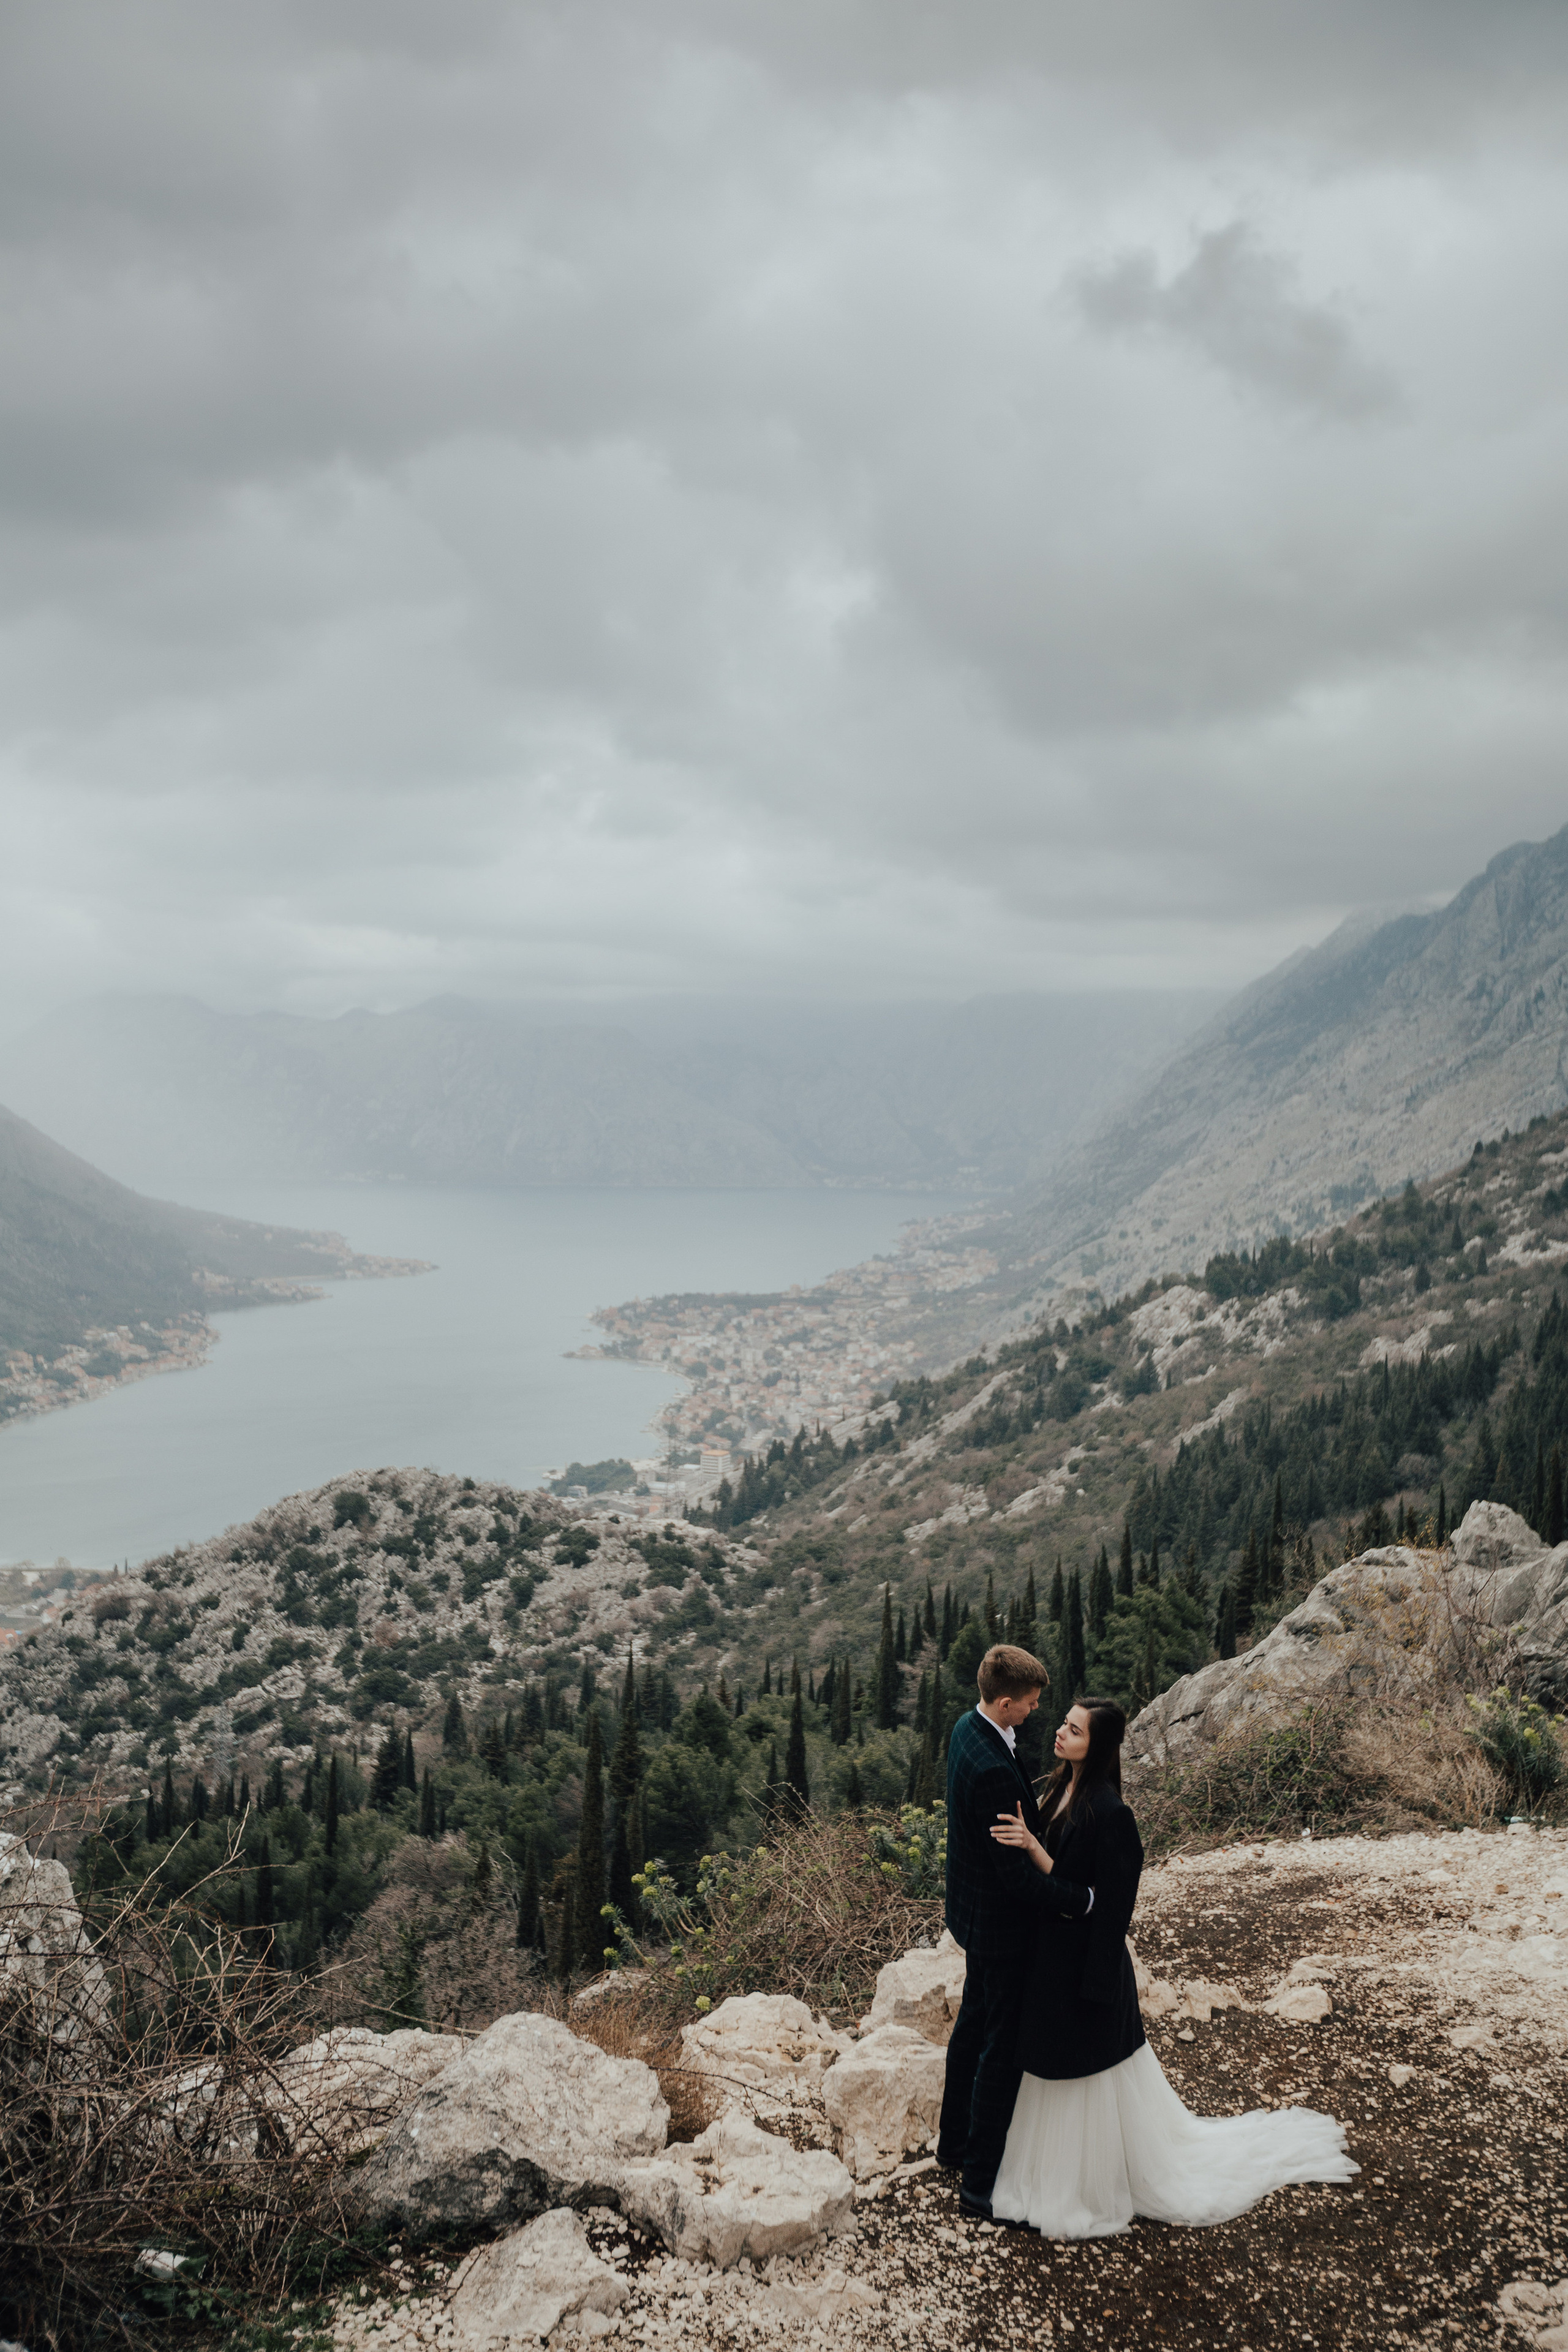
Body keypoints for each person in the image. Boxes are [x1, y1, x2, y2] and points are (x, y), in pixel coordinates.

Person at [988, 1694, 1359, 2237]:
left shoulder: (1112, 1813)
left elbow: (1108, 1904)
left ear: (1099, 1746)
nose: (1061, 1733)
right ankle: (1053, 2179)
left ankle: (1081, 2189)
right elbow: (1064, 1873)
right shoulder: (1060, 1788)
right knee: (1055, 2065)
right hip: (1052, 1959)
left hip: (1084, 1965)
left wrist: (1037, 1861)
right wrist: (1030, 1844)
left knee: (1082, 2072)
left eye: (1075, 1730)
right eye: (1065, 1723)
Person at [938, 1643, 1092, 2218]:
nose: (1035, 1711)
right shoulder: (994, 1772)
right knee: (999, 2052)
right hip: (1001, 1929)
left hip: (974, 1916)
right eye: (1029, 1702)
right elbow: (1018, 1880)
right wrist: (1079, 1899)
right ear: (1005, 1703)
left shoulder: (967, 1727)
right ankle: (980, 2187)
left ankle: (952, 2146)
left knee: (970, 2030)